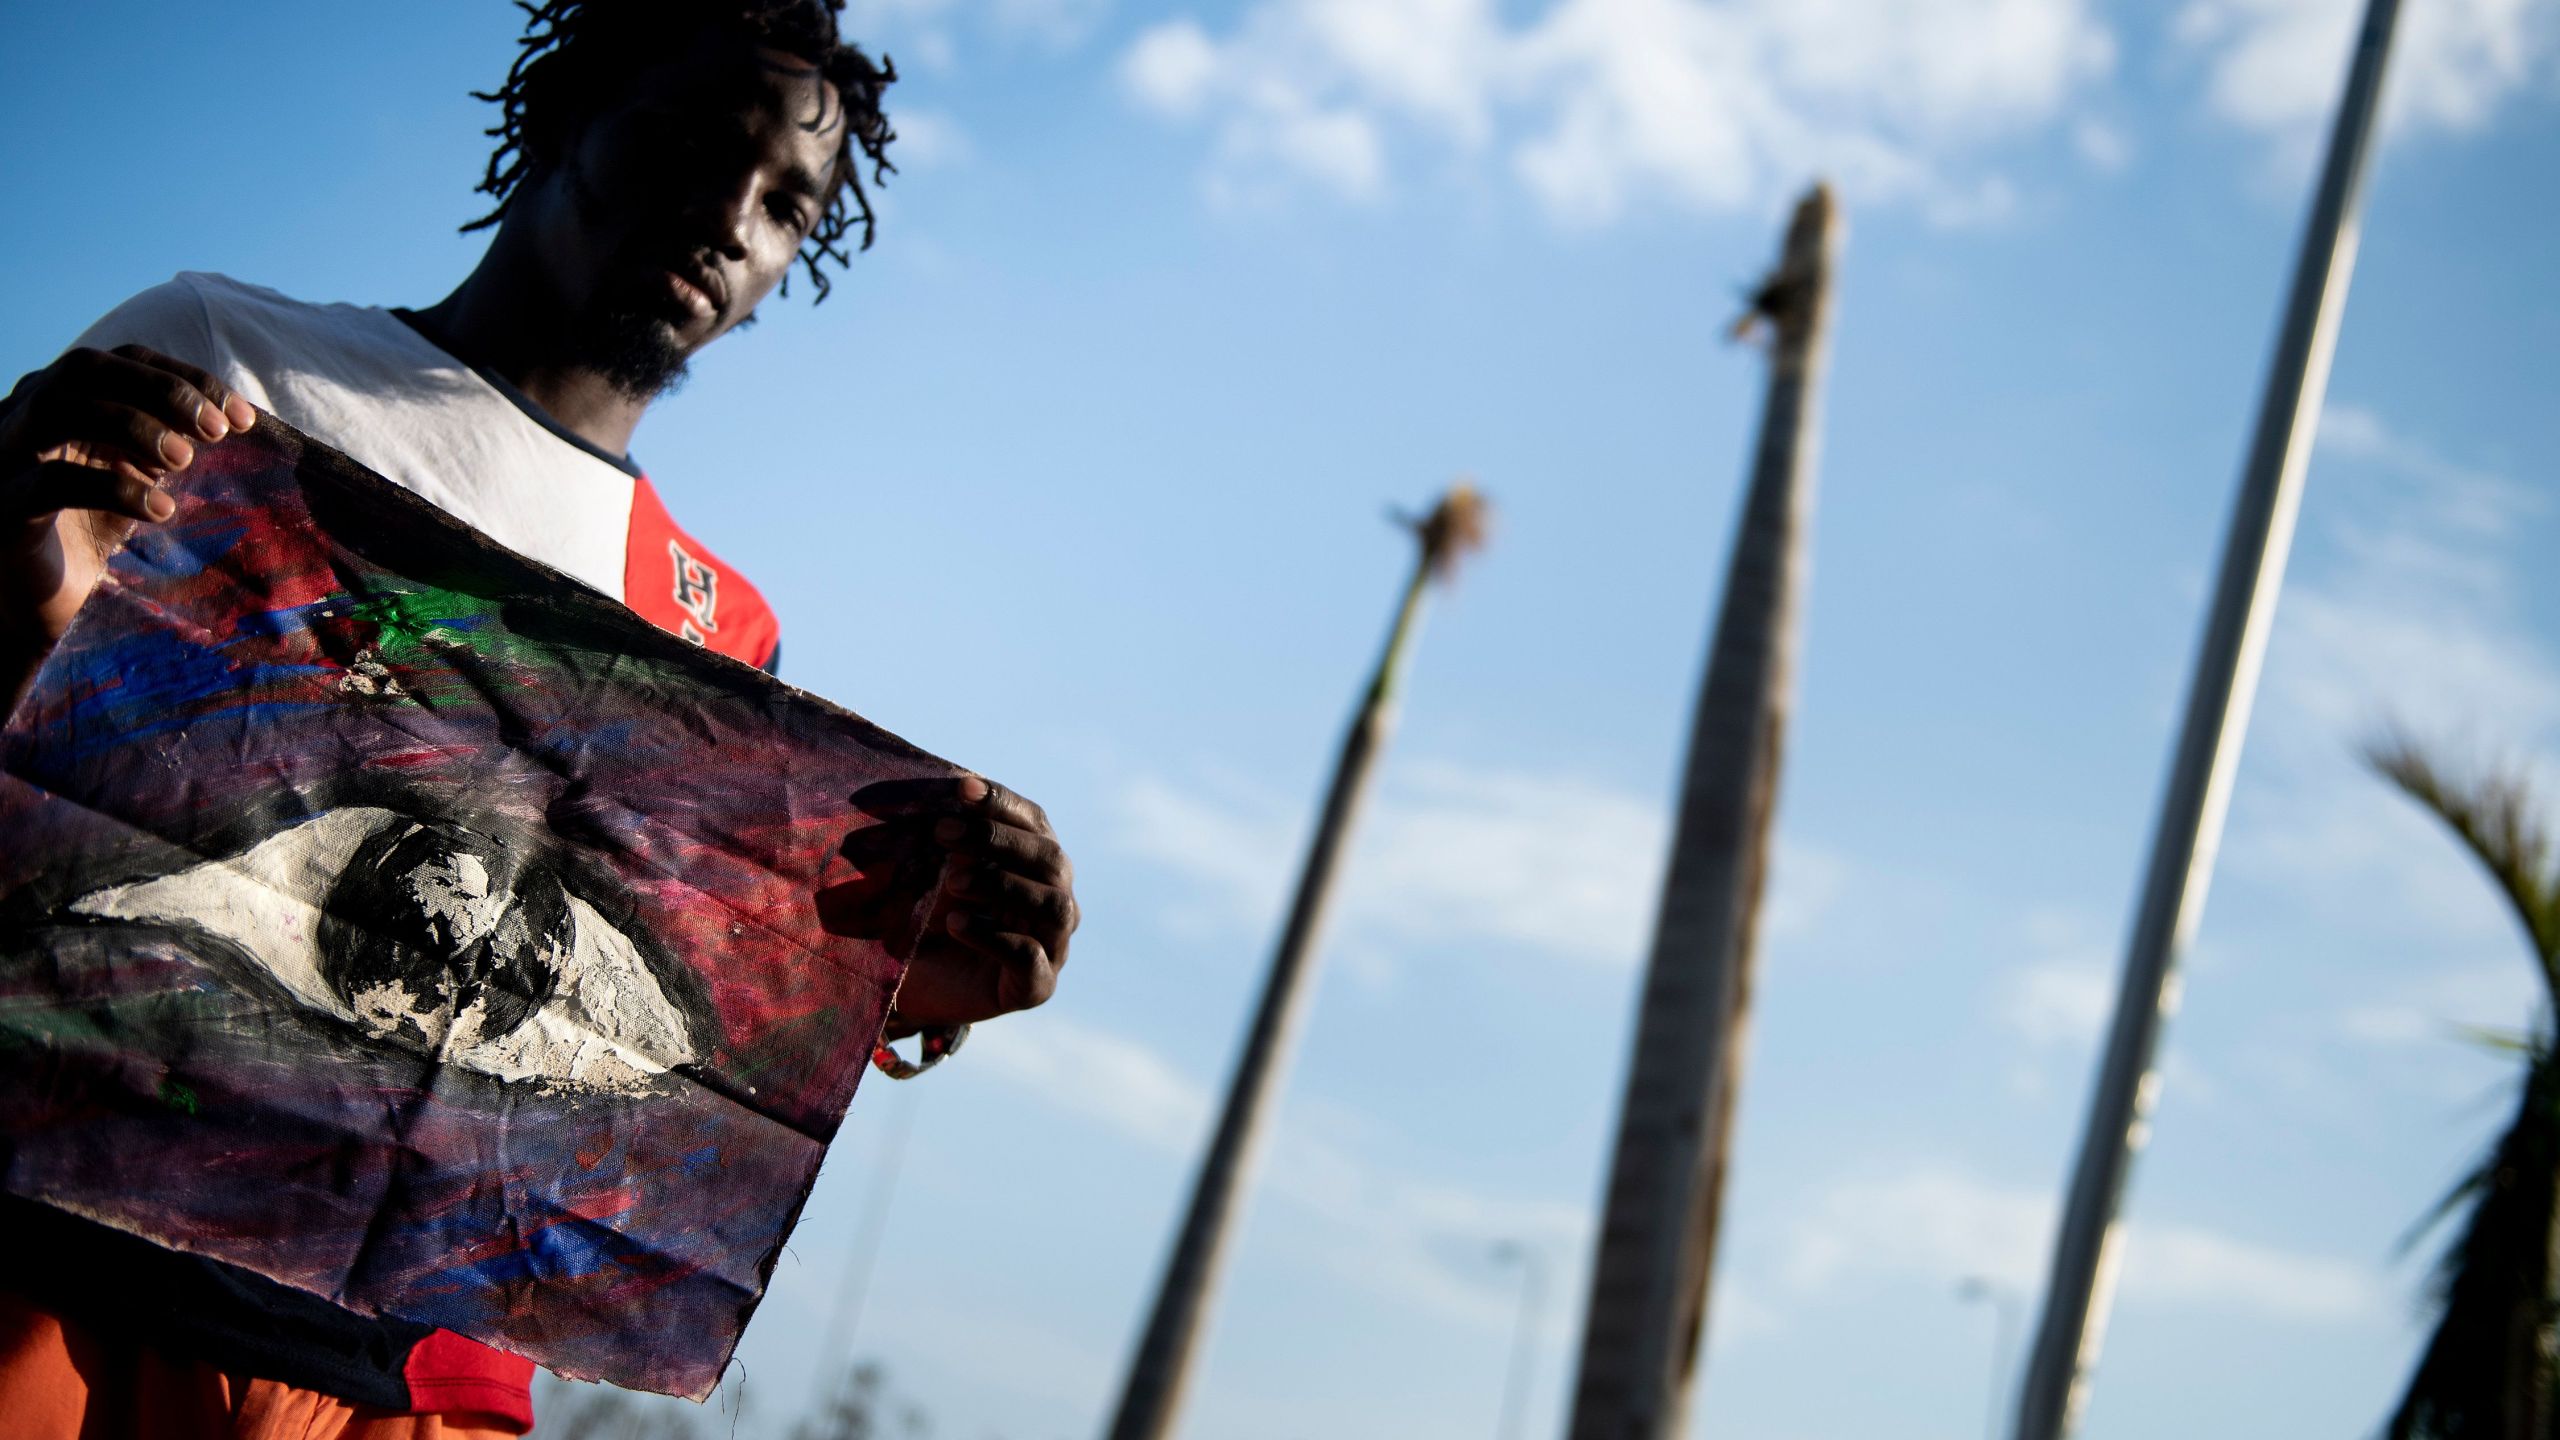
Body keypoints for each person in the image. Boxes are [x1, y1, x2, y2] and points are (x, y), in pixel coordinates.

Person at [0, 3, 1077, 1435]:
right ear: (572, 109)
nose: (729, 220)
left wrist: (899, 986)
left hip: (390, 1366)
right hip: (54, 1232)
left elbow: (632, 1053)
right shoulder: (225, 362)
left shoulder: (715, 632)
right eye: (698, 145)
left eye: (785, 208)